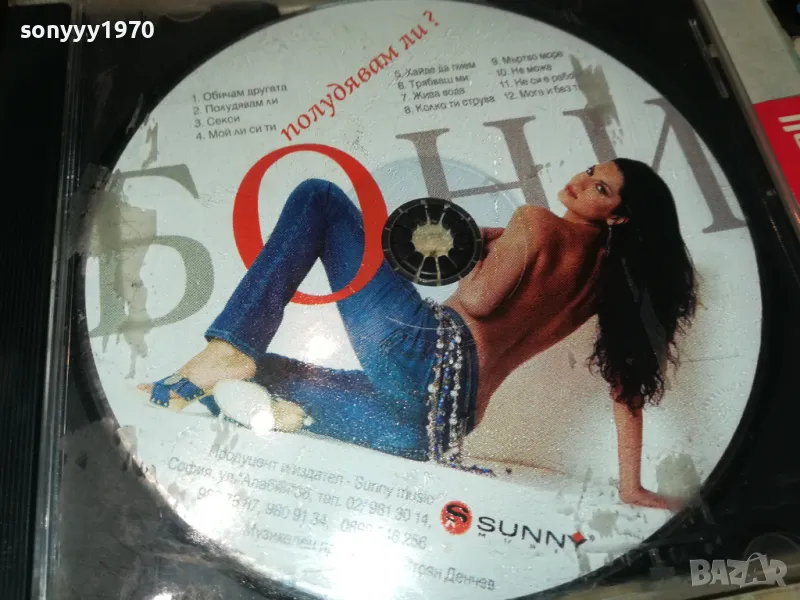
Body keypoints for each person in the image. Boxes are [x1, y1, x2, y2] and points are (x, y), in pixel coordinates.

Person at [139, 158, 697, 509]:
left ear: (618, 216)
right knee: (269, 376)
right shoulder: (606, 287)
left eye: (599, 188)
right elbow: (626, 388)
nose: (580, 182)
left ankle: (231, 346)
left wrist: (498, 246)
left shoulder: (535, 221)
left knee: (318, 197)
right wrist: (631, 487)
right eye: (590, 170)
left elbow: (478, 302)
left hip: (421, 357)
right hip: (437, 429)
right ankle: (258, 390)